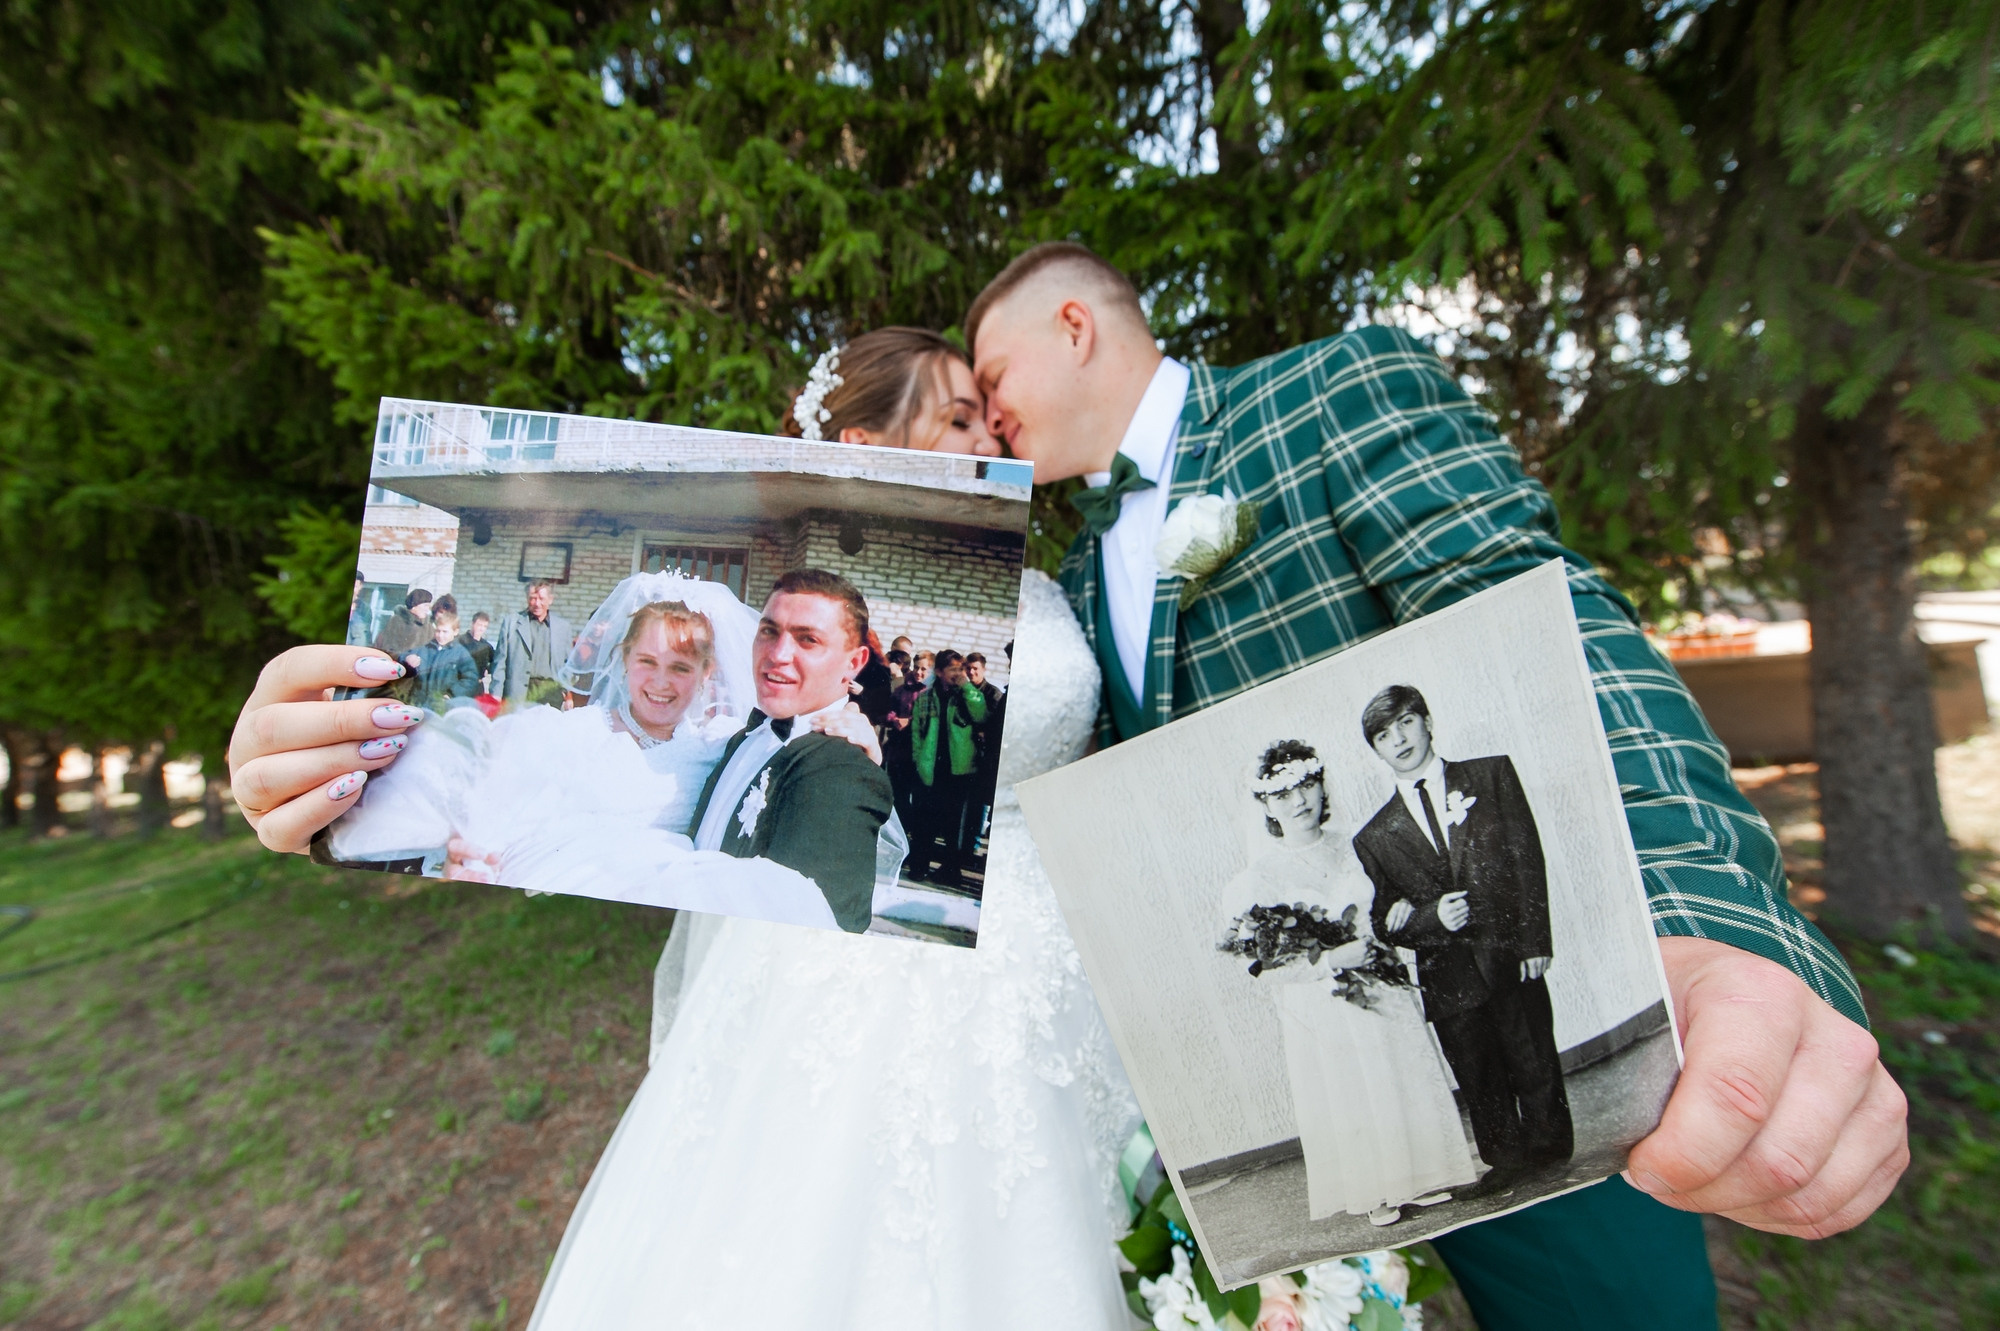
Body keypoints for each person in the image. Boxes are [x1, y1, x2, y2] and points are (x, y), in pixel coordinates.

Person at [967, 241, 1905, 1326]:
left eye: (992, 380)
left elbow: (1553, 632)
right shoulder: (1077, 575)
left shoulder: (1328, 392)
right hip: (1319, 1087)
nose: (987, 419)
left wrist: (1703, 922)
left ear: (1075, 327)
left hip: (1499, 999)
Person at [320, 570, 880, 925]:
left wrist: (852, 722)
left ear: (707, 673)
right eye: (648, 664)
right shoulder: (564, 733)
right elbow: (477, 805)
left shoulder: (721, 746)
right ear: (622, 662)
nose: (662, 683)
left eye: (681, 668)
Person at [1221, 739, 1476, 1226]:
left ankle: (1418, 1176)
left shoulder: (1357, 845)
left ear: (1321, 786)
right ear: (1267, 807)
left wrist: (1393, 920)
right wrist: (1332, 958)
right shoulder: (1259, 878)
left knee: (1399, 1073)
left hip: (1378, 979)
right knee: (1354, 1086)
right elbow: (1260, 964)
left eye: (1307, 786)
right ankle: (1376, 1189)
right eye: (1283, 795)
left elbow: (1384, 908)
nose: (1299, 802)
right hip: (1325, 1003)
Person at [1355, 684, 1572, 1199]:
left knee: (1531, 1050)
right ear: (1377, 751)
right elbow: (1385, 920)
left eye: (1406, 723)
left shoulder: (1490, 775)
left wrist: (1534, 940)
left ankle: (1550, 1148)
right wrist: (1429, 918)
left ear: (1427, 722)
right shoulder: (1374, 836)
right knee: (1477, 1071)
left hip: (1508, 952)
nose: (1399, 740)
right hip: (1447, 974)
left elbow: (1525, 858)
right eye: (1384, 736)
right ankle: (1505, 1159)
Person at [684, 568, 898, 933]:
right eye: (769, 631)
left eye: (808, 640)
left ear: (854, 663)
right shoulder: (745, 738)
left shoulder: (845, 771)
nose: (778, 654)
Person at [907, 649, 988, 888]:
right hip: (930, 768)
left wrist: (965, 687)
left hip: (958, 769)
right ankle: (919, 866)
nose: (957, 673)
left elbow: (982, 714)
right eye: (952, 669)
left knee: (954, 824)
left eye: (960, 668)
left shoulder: (966, 694)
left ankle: (951, 870)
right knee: (925, 821)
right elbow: (916, 734)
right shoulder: (925, 698)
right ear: (940, 672)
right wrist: (918, 760)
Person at [490, 579, 575, 706]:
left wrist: (565, 689)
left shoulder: (563, 627)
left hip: (550, 693)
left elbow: (569, 664)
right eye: (532, 598)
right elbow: (500, 663)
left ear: (550, 600)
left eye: (541, 598)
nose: (537, 603)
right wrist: (495, 693)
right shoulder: (511, 623)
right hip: (519, 693)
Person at [410, 608, 481, 713]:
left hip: (442, 706)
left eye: (445, 632)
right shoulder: (427, 648)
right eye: (438, 631)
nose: (440, 635)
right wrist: (408, 658)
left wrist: (452, 693)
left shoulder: (460, 653)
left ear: (455, 632)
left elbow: (471, 679)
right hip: (420, 702)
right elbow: (406, 656)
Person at [372, 587, 432, 664]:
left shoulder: (428, 627)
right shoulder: (397, 622)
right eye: (425, 606)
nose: (427, 609)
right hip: (397, 669)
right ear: (414, 605)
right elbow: (386, 649)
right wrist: (404, 658)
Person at [462, 611, 496, 692]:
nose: (481, 628)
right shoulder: (461, 641)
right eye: (479, 625)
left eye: (484, 626)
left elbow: (495, 661)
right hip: (461, 684)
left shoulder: (486, 646)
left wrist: (488, 669)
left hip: (478, 686)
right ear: (472, 624)